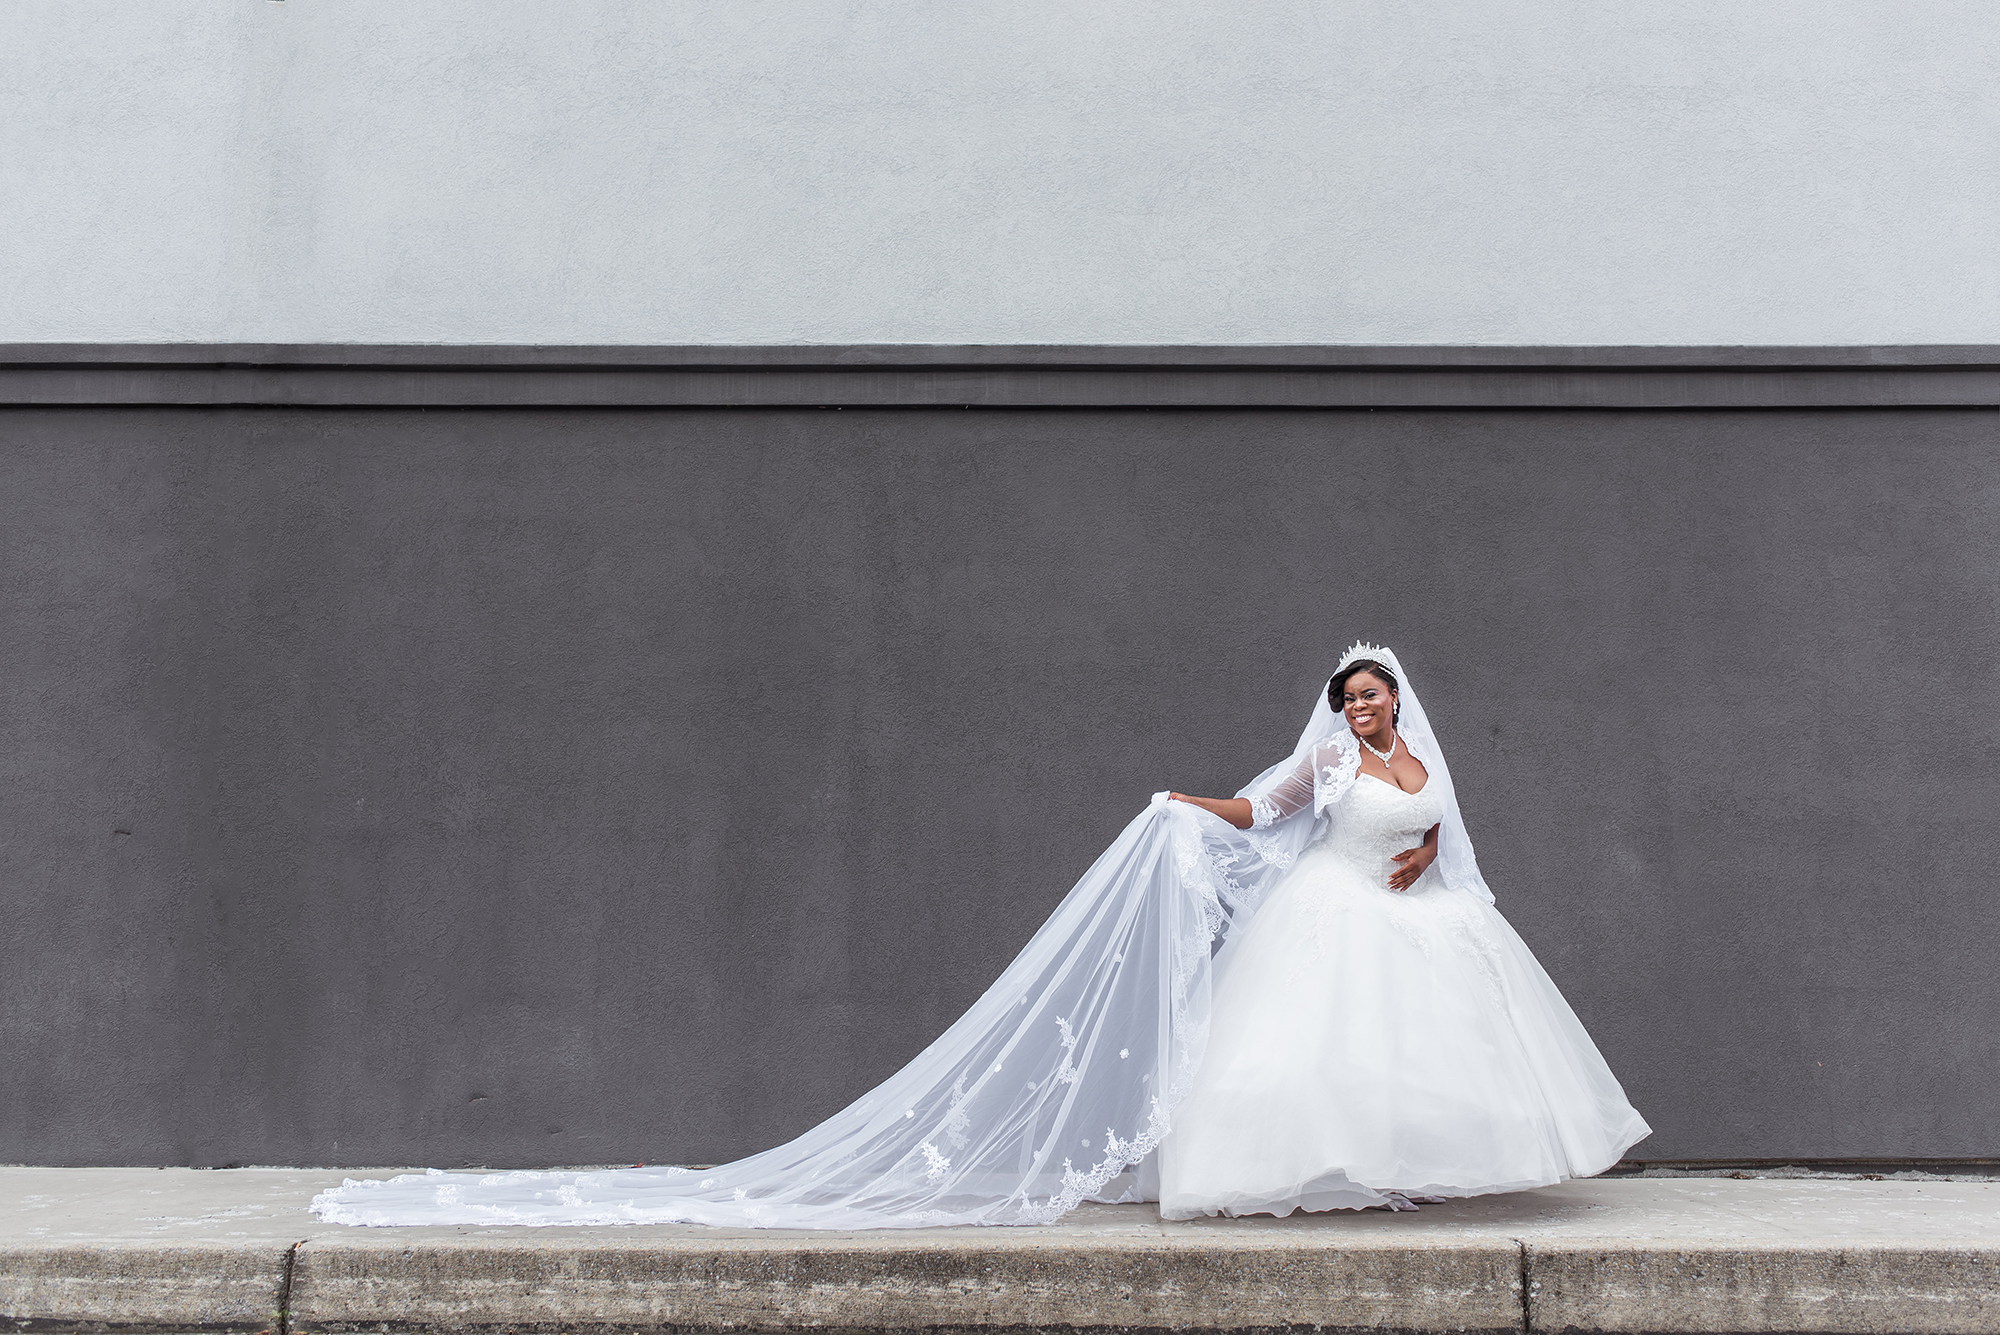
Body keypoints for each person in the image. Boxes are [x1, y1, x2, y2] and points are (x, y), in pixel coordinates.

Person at [313, 643, 1647, 1228]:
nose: (1363, 710)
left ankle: (1401, 1172)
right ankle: (1315, 1177)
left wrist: (1422, 874)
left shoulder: (1423, 763)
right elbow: (1260, 807)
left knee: (1417, 1063)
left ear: (1398, 703)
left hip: (1409, 922)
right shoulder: (1328, 767)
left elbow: (1436, 839)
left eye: (1375, 697)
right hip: (1328, 919)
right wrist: (1185, 805)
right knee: (1298, 1061)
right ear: (1333, 709)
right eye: (1349, 698)